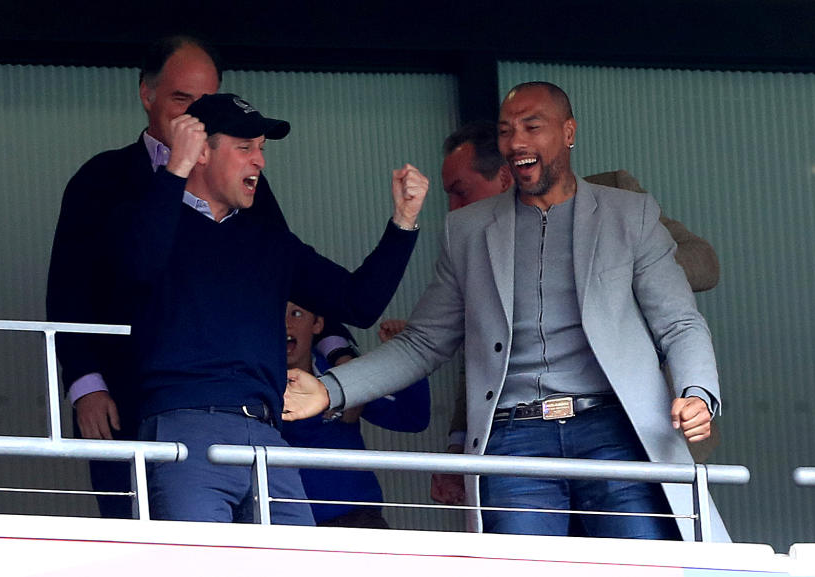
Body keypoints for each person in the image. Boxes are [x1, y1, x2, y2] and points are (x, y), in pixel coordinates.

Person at [284, 81, 727, 541]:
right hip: (515, 439)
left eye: (532, 127)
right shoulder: (468, 229)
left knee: (640, 567)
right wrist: (332, 389)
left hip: (614, 430)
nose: (516, 142)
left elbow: (679, 322)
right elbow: (422, 342)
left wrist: (698, 391)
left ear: (569, 132)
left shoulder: (628, 214)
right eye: (506, 131)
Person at [46, 35, 354, 518]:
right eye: (180, 100)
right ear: (147, 95)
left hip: (232, 402)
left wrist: (334, 345)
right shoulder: (102, 177)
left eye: (205, 101)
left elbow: (285, 270)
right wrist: (86, 382)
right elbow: (68, 288)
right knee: (145, 541)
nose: (194, 116)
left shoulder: (247, 181)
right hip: (123, 392)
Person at [112, 92, 426, 524]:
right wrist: (175, 170)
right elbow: (137, 267)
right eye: (244, 148)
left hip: (268, 435)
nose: (259, 161)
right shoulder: (147, 213)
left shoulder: (269, 239)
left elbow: (359, 302)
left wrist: (404, 222)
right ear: (201, 151)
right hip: (184, 429)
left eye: (261, 148)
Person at [429, 122, 722, 506]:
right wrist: (458, 442)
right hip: (522, 437)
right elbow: (485, 354)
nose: (453, 207)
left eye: (460, 191)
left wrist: (609, 265)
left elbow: (706, 264)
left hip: (632, 425)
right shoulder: (475, 237)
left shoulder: (613, 196)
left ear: (504, 175)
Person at [281, 302, 430, 528]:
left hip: (357, 519)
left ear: (317, 323)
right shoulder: (253, 384)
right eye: (276, 314)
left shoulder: (343, 377)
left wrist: (406, 355)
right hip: (285, 525)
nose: (286, 324)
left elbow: (412, 417)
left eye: (297, 313)